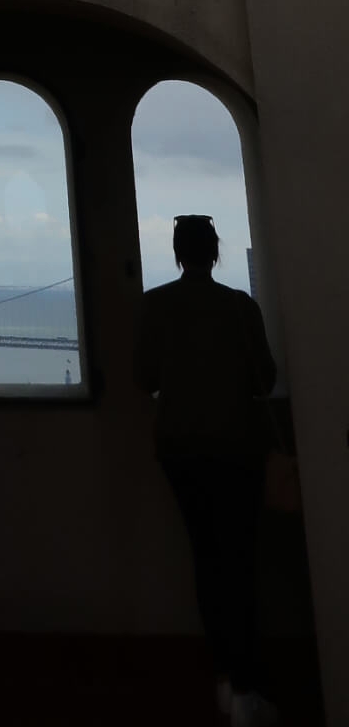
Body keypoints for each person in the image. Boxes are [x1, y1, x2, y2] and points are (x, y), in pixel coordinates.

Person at [135, 214, 279, 727]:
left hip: (180, 449)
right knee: (241, 562)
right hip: (238, 449)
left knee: (206, 559)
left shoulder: (154, 304)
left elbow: (143, 376)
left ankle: (225, 676)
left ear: (177, 253)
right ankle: (247, 685)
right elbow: (264, 379)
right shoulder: (240, 307)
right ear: (215, 252)